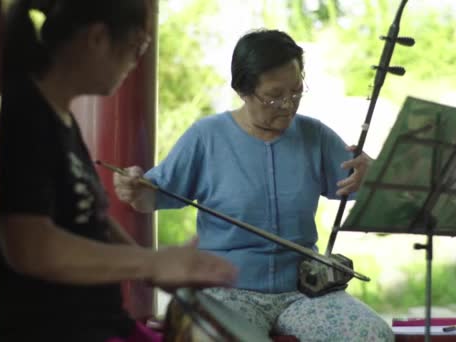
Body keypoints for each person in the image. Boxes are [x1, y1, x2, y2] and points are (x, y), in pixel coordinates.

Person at [114, 29, 394, 341]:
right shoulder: (206, 137)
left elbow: (361, 187)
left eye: (297, 91)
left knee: (372, 334)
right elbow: (152, 195)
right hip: (228, 292)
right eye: (274, 96)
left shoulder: (314, 136)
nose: (288, 105)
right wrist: (134, 189)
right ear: (243, 91)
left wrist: (373, 175)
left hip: (303, 293)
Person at [0, 1, 237, 341]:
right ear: (97, 38)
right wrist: (150, 264)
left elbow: (93, 220)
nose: (136, 61)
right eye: (138, 46)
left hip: (103, 323)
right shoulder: (25, 114)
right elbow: (30, 245)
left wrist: (154, 264)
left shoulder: (59, 117)